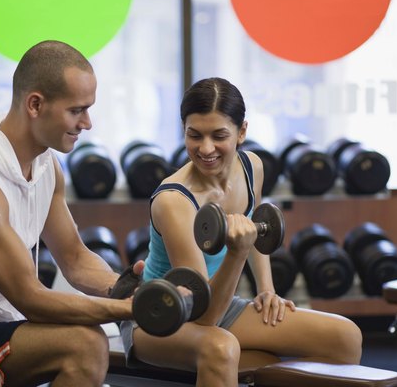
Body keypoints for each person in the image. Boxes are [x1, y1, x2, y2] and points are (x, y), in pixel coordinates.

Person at [0, 40, 143, 387]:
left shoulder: (45, 164)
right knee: (85, 345)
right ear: (35, 104)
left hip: (5, 328)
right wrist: (128, 310)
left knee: (88, 340)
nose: (87, 123)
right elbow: (30, 298)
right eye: (77, 110)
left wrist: (126, 288)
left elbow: (75, 258)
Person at [120, 77, 363, 387]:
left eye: (219, 135)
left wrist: (267, 289)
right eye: (194, 135)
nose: (206, 148)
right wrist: (236, 252)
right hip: (163, 313)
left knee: (345, 337)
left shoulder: (252, 166)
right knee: (222, 347)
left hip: (220, 301)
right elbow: (203, 317)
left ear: (242, 132)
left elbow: (257, 228)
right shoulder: (174, 201)